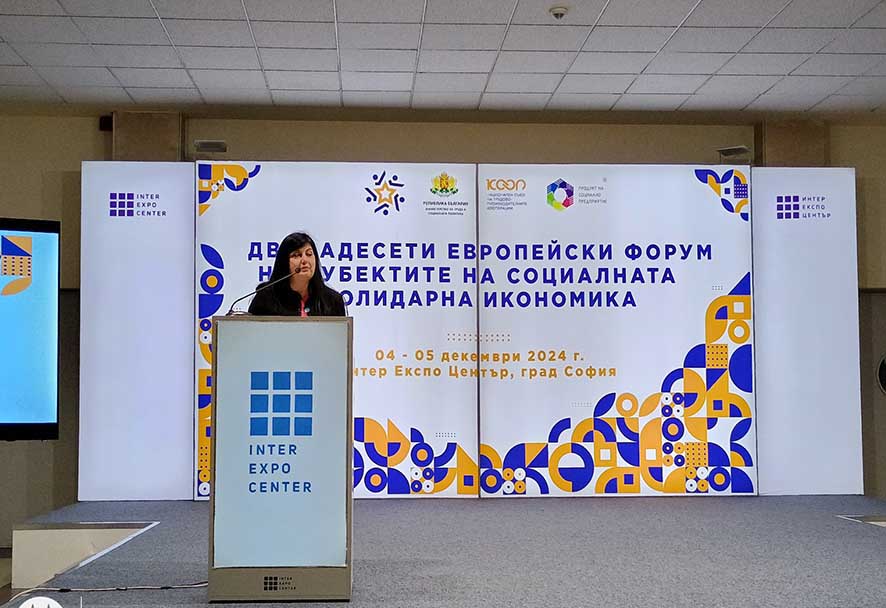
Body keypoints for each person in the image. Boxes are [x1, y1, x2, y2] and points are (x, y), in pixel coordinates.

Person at [248, 232, 346, 317]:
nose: (304, 260)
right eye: (296, 255)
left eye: (309, 254)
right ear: (284, 262)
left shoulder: (333, 301)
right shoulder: (265, 299)